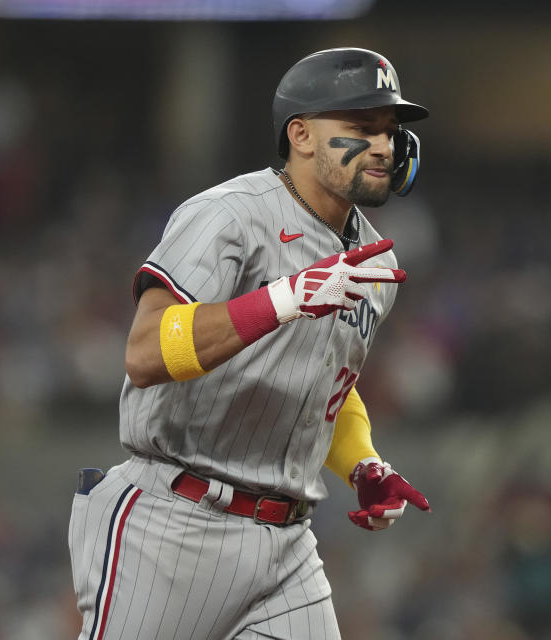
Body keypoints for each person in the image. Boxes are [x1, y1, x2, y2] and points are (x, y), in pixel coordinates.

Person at [69, 47, 431, 639]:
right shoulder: (230, 215)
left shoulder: (374, 258)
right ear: (302, 135)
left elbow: (326, 386)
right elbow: (145, 354)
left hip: (288, 542)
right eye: (361, 128)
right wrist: (282, 300)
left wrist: (362, 462)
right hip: (175, 522)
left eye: (389, 131)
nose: (385, 146)